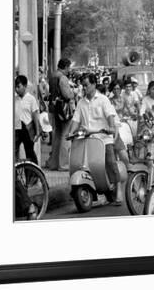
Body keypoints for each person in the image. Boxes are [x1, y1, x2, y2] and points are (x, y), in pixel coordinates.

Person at [68, 73, 123, 205]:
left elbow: (110, 115)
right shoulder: (81, 102)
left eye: (86, 85)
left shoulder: (103, 99)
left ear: (93, 84)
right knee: (82, 163)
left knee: (110, 161)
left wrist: (111, 127)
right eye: (83, 85)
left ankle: (118, 187)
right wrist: (70, 132)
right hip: (87, 139)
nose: (84, 88)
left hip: (103, 137)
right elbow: (76, 119)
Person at [47, 58, 75, 171]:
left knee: (57, 136)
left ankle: (54, 163)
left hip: (54, 109)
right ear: (65, 66)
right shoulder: (62, 77)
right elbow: (67, 95)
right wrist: (73, 92)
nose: (69, 70)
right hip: (63, 110)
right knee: (65, 135)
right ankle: (63, 165)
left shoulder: (53, 75)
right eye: (69, 68)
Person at [14, 75, 41, 164]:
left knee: (29, 152)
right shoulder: (15, 99)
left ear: (25, 86)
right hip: (17, 128)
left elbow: (35, 116)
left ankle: (32, 175)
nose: (16, 89)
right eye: (15, 87)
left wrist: (37, 132)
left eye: (19, 87)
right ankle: (16, 175)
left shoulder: (31, 99)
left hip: (27, 129)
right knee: (14, 151)